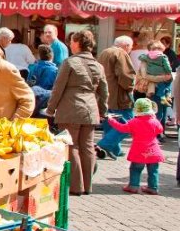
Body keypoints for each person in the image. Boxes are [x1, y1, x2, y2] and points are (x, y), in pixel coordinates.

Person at [47, 30, 108, 196]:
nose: (70, 45)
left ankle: (76, 186)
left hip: (71, 107)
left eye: (72, 42)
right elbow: (104, 91)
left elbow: (58, 89)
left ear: (78, 43)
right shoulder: (98, 65)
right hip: (91, 109)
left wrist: (50, 110)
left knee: (71, 145)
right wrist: (102, 110)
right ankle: (88, 186)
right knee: (87, 147)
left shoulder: (70, 63)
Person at [108, 98, 164, 195]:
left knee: (135, 169)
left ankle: (133, 186)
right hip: (153, 151)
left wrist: (111, 120)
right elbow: (160, 130)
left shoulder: (134, 122)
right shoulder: (155, 121)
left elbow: (121, 128)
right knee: (153, 171)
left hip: (139, 151)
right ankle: (153, 187)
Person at [96, 36, 137, 159]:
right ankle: (104, 145)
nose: (130, 49)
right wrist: (131, 87)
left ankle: (115, 149)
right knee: (129, 122)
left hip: (105, 94)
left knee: (111, 122)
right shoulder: (121, 53)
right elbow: (125, 75)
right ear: (126, 46)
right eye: (130, 46)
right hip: (119, 96)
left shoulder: (104, 52)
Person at [138, 40, 173, 138]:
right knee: (157, 113)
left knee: (162, 113)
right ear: (149, 50)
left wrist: (168, 77)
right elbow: (145, 76)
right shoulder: (145, 60)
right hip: (154, 90)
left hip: (164, 90)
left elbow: (169, 74)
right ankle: (154, 134)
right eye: (154, 49)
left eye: (159, 49)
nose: (157, 51)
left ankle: (159, 132)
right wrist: (163, 77)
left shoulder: (162, 58)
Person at [26, 44, 59, 112]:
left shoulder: (32, 67)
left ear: (39, 56)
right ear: (52, 56)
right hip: (46, 101)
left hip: (32, 99)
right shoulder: (55, 70)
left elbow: (28, 83)